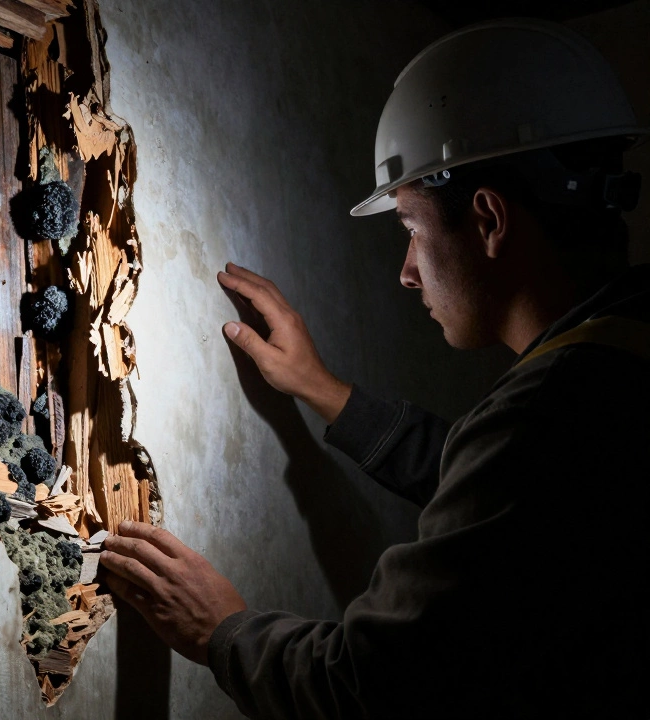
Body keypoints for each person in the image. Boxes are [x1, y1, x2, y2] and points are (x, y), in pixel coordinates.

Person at [98, 18, 649, 718]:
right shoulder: (613, 369)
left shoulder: (549, 416)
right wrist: (323, 391)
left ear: (487, 220)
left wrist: (224, 631)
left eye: (412, 229)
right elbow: (492, 482)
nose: (407, 273)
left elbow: (371, 687)